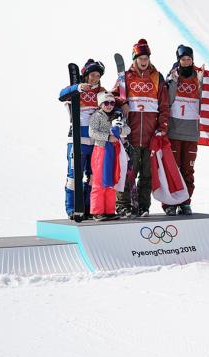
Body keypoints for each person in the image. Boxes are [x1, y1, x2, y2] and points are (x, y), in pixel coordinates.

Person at [114, 39, 170, 218]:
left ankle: (143, 206)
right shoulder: (126, 77)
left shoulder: (157, 76)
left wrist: (161, 128)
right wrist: (121, 103)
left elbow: (164, 105)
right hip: (131, 133)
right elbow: (114, 96)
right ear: (135, 58)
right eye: (140, 57)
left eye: (146, 57)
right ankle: (124, 205)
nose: (144, 60)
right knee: (128, 171)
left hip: (150, 135)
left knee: (147, 174)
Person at [59, 59, 106, 219]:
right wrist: (77, 88)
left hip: (95, 142)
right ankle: (72, 209)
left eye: (98, 75)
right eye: (92, 74)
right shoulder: (77, 90)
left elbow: (112, 104)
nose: (95, 78)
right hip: (77, 141)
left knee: (93, 177)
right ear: (86, 75)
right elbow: (61, 95)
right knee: (74, 177)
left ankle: (87, 207)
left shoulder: (102, 91)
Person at [163, 44, 203, 216]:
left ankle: (185, 202)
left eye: (189, 59)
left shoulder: (199, 76)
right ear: (178, 60)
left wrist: (202, 81)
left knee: (188, 171)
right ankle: (170, 203)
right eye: (183, 59)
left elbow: (204, 101)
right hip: (174, 131)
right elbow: (168, 100)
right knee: (173, 169)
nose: (186, 62)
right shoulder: (172, 76)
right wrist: (174, 81)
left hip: (192, 133)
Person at [88, 91, 130, 221]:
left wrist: (121, 129)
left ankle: (109, 210)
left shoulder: (116, 115)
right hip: (101, 150)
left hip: (114, 150)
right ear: (100, 104)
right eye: (106, 103)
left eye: (111, 103)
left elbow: (128, 129)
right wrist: (108, 137)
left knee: (112, 180)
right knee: (99, 181)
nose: (109, 105)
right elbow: (92, 132)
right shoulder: (97, 116)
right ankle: (97, 211)